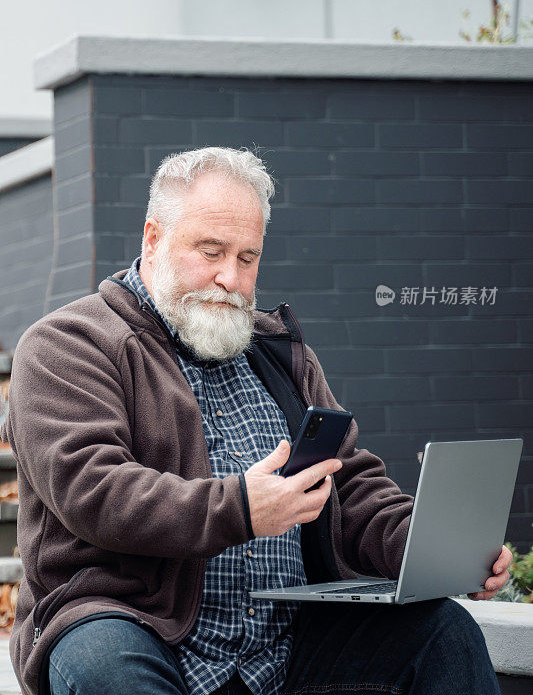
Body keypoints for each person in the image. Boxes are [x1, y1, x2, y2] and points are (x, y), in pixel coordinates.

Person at [3, 147, 511, 695]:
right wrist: (241, 508)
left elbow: (350, 485)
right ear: (153, 238)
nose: (230, 277)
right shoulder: (68, 345)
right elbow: (94, 492)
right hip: (138, 625)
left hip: (284, 646)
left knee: (442, 633)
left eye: (248, 258)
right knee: (106, 664)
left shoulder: (278, 353)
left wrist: (433, 548)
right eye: (211, 250)